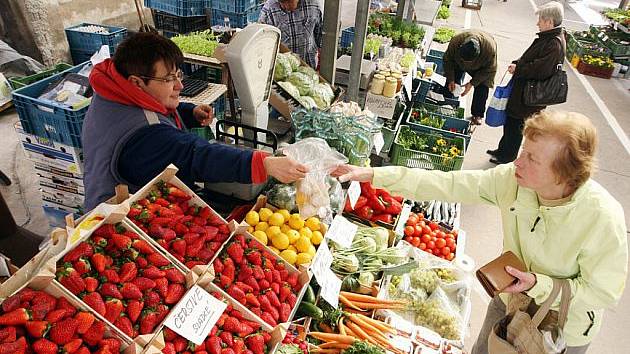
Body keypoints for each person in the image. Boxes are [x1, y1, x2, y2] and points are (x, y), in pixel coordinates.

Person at [333, 111, 628, 354]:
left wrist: (538, 284)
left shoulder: (603, 218)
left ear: (564, 174)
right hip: (510, 299)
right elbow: (447, 184)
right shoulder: (511, 180)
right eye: (522, 151)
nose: (518, 162)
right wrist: (375, 175)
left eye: (532, 159)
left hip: (560, 329)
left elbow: (602, 293)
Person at [82, 32, 307, 210]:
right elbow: (196, 155)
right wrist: (264, 163)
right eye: (169, 79)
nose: (179, 86)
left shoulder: (110, 89)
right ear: (137, 83)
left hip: (110, 189)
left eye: (178, 75)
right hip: (119, 219)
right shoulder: (145, 134)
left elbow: (152, 112)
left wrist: (189, 113)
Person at [488, 1, 566, 164]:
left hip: (528, 96)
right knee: (510, 122)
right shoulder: (549, 38)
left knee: (515, 125)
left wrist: (518, 68)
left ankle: (507, 156)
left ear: (549, 22)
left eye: (541, 20)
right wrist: (518, 63)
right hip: (523, 92)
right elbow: (531, 58)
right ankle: (503, 149)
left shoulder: (554, 44)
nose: (538, 23)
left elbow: (540, 70)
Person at [443, 29, 497, 125]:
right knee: (451, 80)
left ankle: (477, 114)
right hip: (458, 62)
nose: (467, 64)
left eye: (469, 61)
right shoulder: (456, 41)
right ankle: (445, 102)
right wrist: (451, 79)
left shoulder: (489, 49)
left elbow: (489, 70)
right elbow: (448, 60)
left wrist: (472, 83)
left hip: (482, 67)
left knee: (483, 85)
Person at [259, 0, 322, 68]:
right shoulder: (268, 9)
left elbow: (319, 35)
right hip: (282, 68)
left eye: (289, 1)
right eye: (281, 2)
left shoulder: (313, 5)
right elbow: (262, 42)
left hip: (308, 64)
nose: (285, 6)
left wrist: (320, 64)